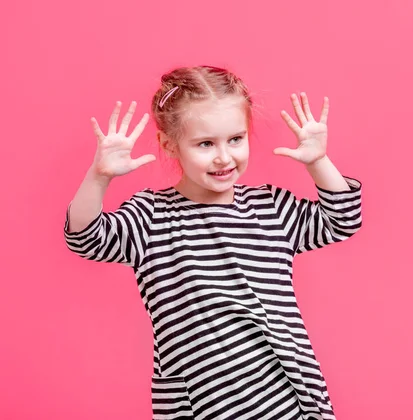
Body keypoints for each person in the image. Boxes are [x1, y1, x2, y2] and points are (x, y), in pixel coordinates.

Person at [64, 65, 362, 420]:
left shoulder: (270, 208)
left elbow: (342, 219)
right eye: (205, 144)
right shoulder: (151, 217)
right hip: (202, 399)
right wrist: (98, 178)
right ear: (168, 145)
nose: (224, 157)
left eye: (235, 139)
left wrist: (319, 161)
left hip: (284, 393)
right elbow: (85, 237)